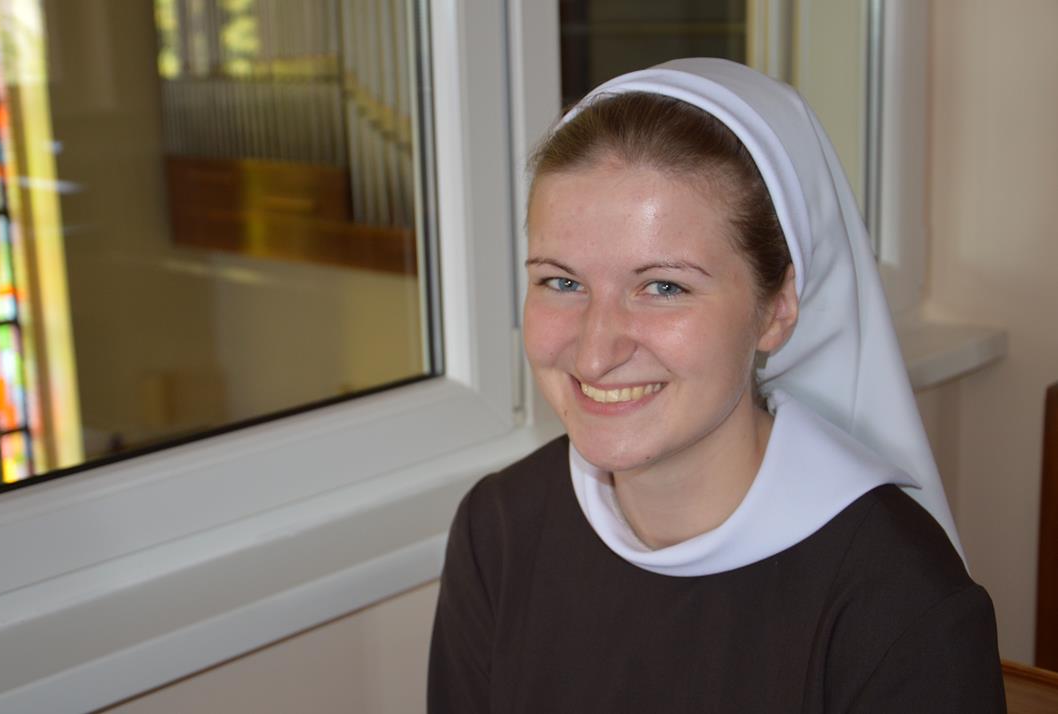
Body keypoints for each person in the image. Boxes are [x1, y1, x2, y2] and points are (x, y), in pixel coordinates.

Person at [428, 58, 1004, 713]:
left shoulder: (900, 601)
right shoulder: (499, 530)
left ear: (777, 308)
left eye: (664, 287)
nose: (595, 351)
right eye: (562, 282)